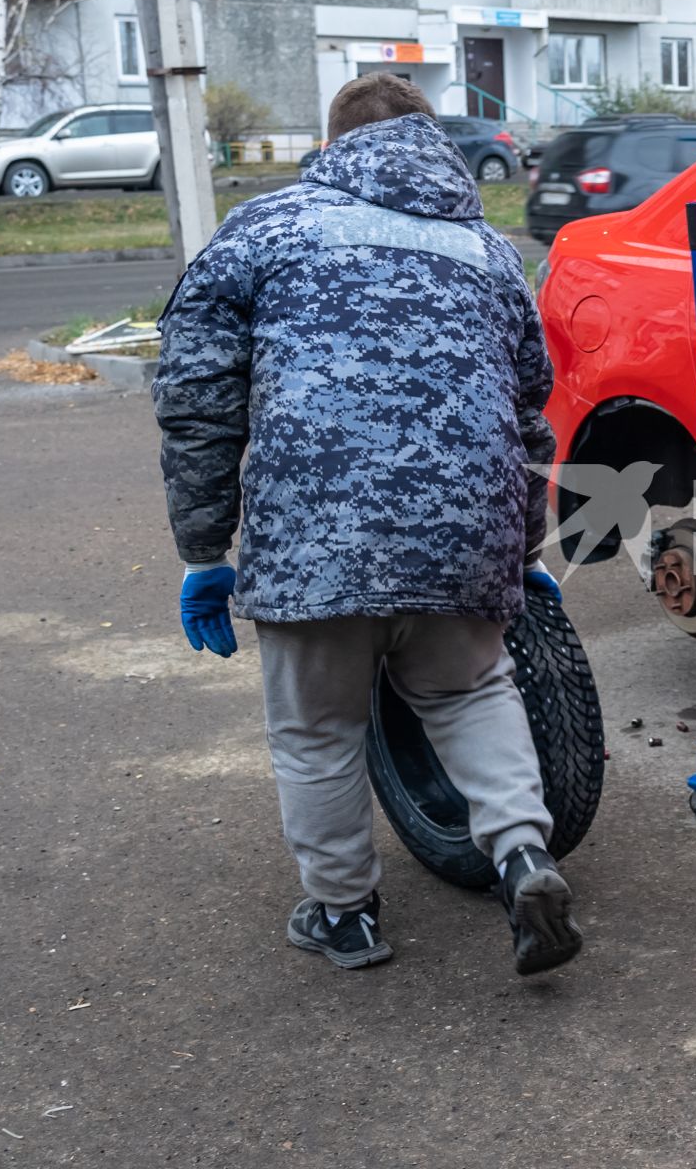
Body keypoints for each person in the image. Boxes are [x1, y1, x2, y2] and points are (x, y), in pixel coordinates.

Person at [152, 73, 582, 976]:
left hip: (316, 543)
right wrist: (521, 550)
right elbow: (530, 413)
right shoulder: (489, 251)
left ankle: (344, 914)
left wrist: (203, 552)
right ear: (433, 142)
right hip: (466, 539)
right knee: (470, 694)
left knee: (318, 731)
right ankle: (523, 856)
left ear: (332, 141)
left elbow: (196, 399)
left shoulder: (268, 228)